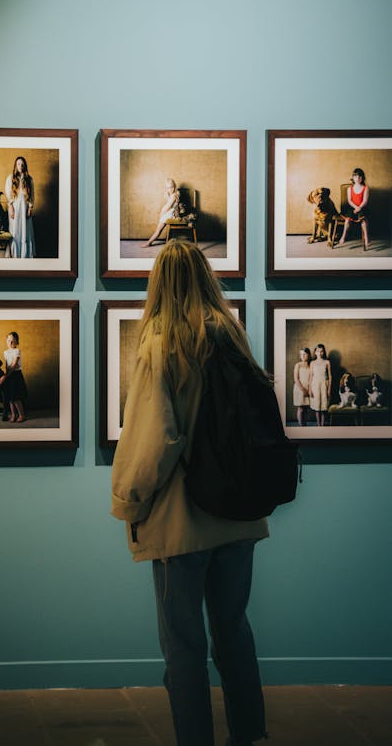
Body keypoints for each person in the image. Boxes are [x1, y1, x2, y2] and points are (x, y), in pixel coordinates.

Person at [111, 239, 269, 746]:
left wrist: (128, 501)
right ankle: (250, 735)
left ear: (159, 282)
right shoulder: (233, 334)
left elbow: (153, 439)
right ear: (206, 277)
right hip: (239, 516)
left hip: (181, 521)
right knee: (234, 632)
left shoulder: (160, 342)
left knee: (183, 647)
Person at [5, 156, 36, 258]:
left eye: (22, 164)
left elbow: (32, 194)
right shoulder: (11, 178)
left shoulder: (29, 179)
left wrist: (30, 207)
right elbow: (8, 194)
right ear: (15, 165)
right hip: (15, 206)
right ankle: (14, 253)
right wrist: (10, 207)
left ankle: (25, 254)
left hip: (25, 207)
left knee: (25, 230)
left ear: (25, 166)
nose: (20, 166)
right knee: (15, 230)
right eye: (18, 164)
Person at [141, 178, 179, 247]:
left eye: (172, 187)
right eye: (168, 188)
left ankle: (149, 243)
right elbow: (169, 205)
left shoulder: (174, 196)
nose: (170, 189)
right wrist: (167, 197)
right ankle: (149, 242)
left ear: (174, 186)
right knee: (158, 229)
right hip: (169, 213)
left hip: (171, 214)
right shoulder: (172, 195)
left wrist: (161, 214)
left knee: (158, 230)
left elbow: (168, 207)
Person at [0, 331, 27, 422]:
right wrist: (5, 376)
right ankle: (13, 415)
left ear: (16, 342)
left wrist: (4, 376)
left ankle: (22, 415)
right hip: (9, 376)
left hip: (16, 375)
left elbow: (13, 365)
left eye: (13, 340)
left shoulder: (17, 351)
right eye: (8, 340)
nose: (10, 342)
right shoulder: (5, 352)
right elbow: (7, 366)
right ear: (6, 341)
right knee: (10, 397)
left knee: (16, 397)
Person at [339, 168, 370, 248]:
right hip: (353, 207)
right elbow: (349, 200)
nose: (358, 178)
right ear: (353, 177)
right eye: (356, 176)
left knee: (363, 220)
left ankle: (366, 238)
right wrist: (356, 207)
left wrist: (359, 208)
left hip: (362, 208)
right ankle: (343, 236)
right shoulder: (350, 189)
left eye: (360, 176)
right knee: (347, 220)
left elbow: (365, 200)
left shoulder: (365, 188)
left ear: (362, 178)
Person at [308, 343, 332, 427]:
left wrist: (329, 388)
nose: (320, 353)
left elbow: (330, 376)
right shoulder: (312, 363)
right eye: (318, 351)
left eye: (321, 351)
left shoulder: (327, 362)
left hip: (324, 385)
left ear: (324, 352)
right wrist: (310, 389)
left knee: (323, 407)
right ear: (315, 352)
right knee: (317, 406)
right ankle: (318, 424)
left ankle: (322, 424)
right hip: (315, 385)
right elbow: (311, 376)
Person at [293, 348, 311, 426]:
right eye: (301, 354)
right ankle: (301, 425)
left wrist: (309, 389)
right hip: (300, 387)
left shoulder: (311, 365)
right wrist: (303, 389)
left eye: (305, 354)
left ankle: (305, 424)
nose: (303, 356)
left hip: (308, 387)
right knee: (300, 408)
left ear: (308, 355)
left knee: (306, 408)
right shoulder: (298, 365)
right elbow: (296, 378)